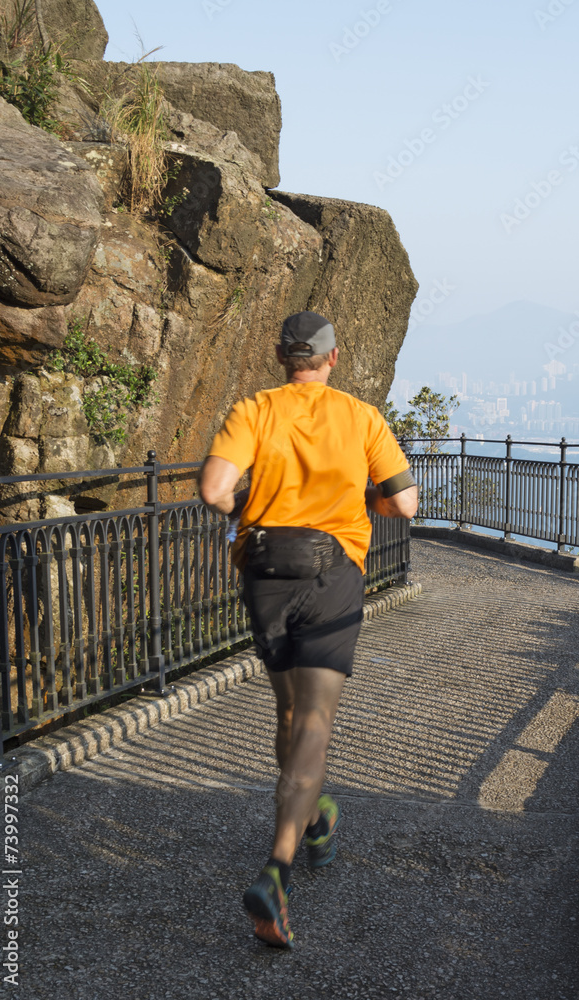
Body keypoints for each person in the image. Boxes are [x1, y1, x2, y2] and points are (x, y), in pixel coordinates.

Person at [199, 311, 417, 949]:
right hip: (331, 573)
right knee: (315, 726)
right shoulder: (361, 418)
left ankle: (316, 812)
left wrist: (252, 506)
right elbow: (404, 503)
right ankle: (276, 871)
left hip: (265, 569)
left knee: (289, 714)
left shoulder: (254, 409)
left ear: (280, 356)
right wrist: (365, 503)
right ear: (333, 358)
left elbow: (214, 489)